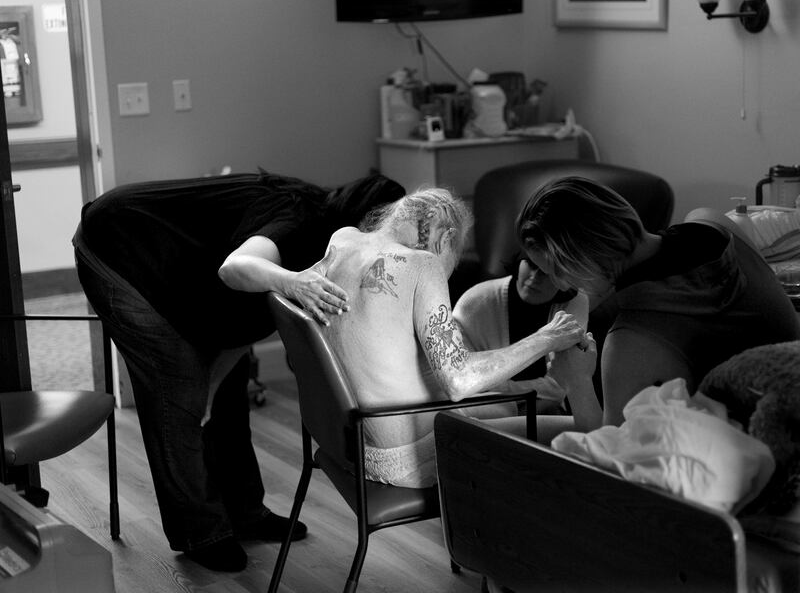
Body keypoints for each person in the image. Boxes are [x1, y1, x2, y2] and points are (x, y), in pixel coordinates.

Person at [73, 169, 405, 572]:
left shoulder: (326, 241)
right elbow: (236, 267)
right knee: (177, 386)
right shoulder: (299, 226)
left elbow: (240, 326)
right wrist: (293, 283)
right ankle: (201, 532)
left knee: (229, 385)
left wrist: (214, 388)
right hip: (117, 245)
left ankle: (245, 512)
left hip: (170, 257)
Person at [311, 187, 596, 488]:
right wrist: (547, 338)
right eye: (454, 255)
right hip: (399, 456)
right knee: (580, 431)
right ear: (446, 238)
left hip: (349, 438)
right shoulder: (424, 264)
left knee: (504, 408)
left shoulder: (344, 240)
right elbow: (458, 381)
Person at [515, 176, 800, 427]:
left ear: (580, 258)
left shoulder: (632, 345)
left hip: (754, 454)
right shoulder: (715, 223)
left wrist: (576, 382)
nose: (562, 285)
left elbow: (612, 465)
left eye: (556, 270)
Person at [453, 254, 590, 416]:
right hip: (483, 406)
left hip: (542, 407)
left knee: (552, 412)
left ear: (565, 277)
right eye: (531, 263)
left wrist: (501, 389)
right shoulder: (476, 300)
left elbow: (560, 386)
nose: (534, 277)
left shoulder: (576, 302)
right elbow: (462, 381)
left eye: (547, 272)